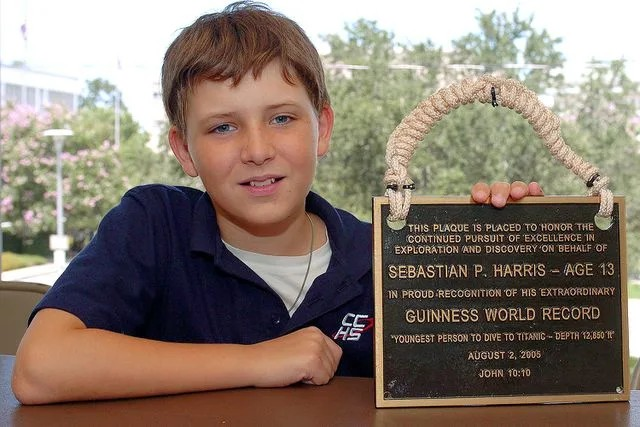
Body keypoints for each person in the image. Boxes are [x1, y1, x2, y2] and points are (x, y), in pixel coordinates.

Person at [11, 1, 542, 404]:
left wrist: (512, 256)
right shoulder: (153, 225)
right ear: (184, 150)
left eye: (282, 118)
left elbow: (505, 378)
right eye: (223, 127)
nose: (257, 150)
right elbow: (40, 368)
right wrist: (258, 362)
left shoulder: (389, 256)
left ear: (322, 128)